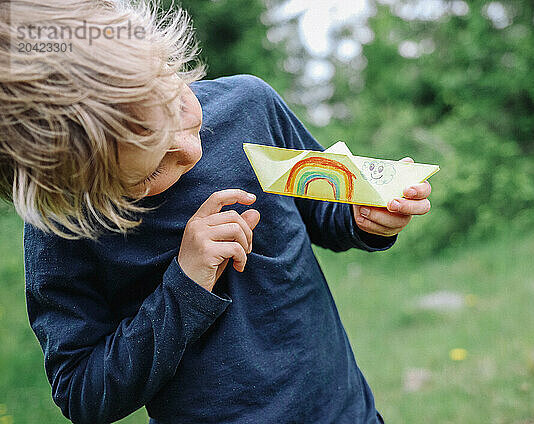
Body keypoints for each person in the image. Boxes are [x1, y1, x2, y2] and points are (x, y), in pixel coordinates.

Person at [1, 1, 432, 423]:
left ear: (167, 59)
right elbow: (83, 395)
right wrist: (185, 284)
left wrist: (364, 217)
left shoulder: (250, 104)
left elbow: (324, 211)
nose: (190, 150)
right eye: (150, 170)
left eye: (179, 107)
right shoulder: (63, 224)